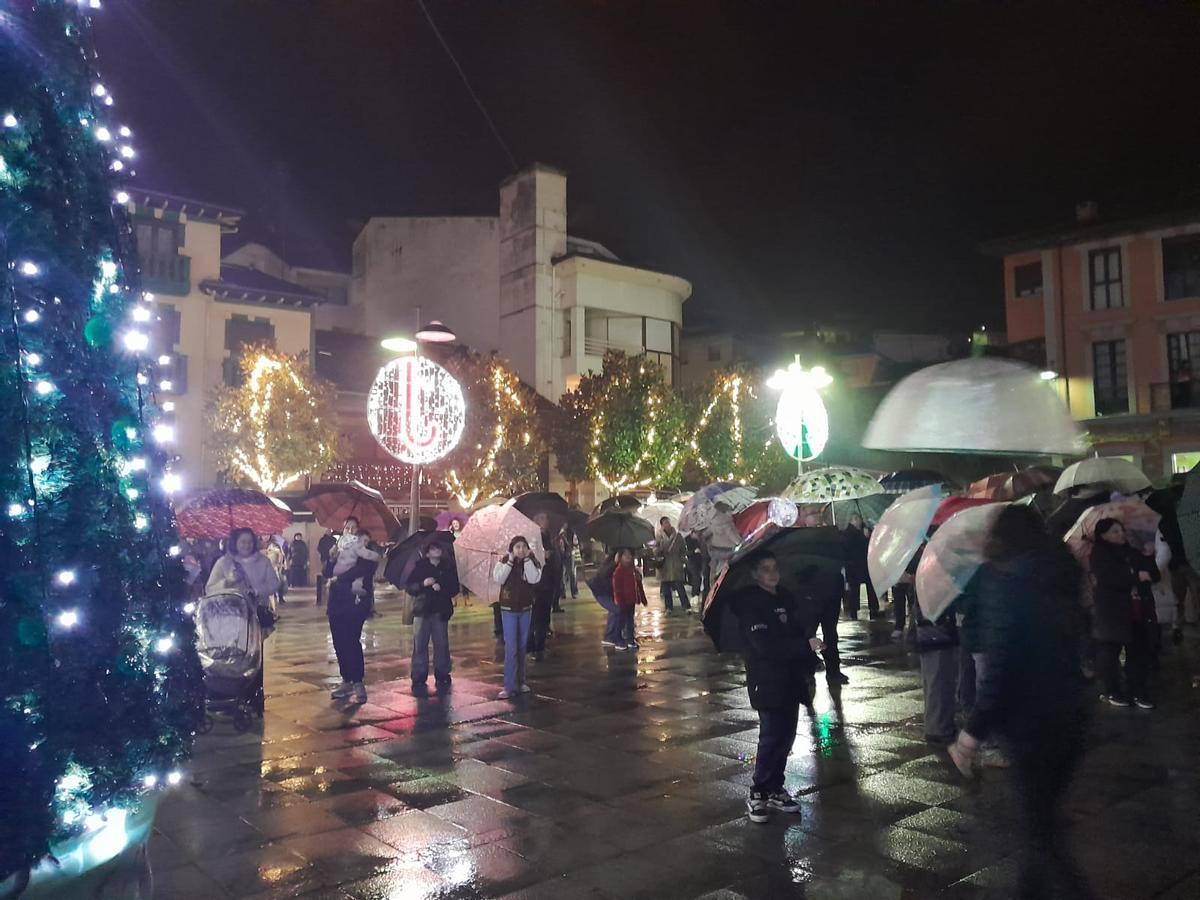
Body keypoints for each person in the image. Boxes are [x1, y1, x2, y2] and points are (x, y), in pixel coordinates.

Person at [946, 506, 1094, 899]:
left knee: (1042, 835)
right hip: (1071, 713)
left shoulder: (1007, 578)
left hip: (1032, 724)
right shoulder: (1061, 568)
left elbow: (1002, 663)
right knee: (1041, 827)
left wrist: (971, 734)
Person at [732, 552, 821, 824]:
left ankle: (775, 787)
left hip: (791, 677)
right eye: (765, 569)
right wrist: (803, 646)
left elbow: (796, 630)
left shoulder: (785, 596)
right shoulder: (749, 604)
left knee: (786, 736)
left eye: (774, 568)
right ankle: (758, 790)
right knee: (770, 735)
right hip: (767, 680)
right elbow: (764, 647)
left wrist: (811, 647)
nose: (772, 574)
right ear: (755, 574)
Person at [1090, 518, 1158, 709]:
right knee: (1109, 653)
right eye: (1114, 531)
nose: (1120, 535)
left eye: (1121, 531)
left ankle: (1138, 691)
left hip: (1136, 609)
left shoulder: (1133, 553)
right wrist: (1136, 577)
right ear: (1103, 535)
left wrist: (1148, 557)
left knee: (1138, 651)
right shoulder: (1099, 554)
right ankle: (1112, 690)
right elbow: (1109, 578)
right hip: (1112, 612)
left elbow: (1154, 575)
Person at [326, 519, 381, 704]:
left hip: (356, 603)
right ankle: (346, 680)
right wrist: (331, 558)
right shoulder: (339, 547)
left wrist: (338, 577)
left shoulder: (366, 550)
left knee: (351, 640)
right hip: (336, 602)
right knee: (338, 642)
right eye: (346, 527)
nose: (349, 530)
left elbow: (363, 569)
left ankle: (357, 681)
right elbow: (327, 572)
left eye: (353, 527)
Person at [405, 541, 459, 695]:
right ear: (427, 552)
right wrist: (423, 583)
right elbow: (410, 587)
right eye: (433, 548)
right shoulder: (420, 567)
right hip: (422, 611)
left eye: (439, 548)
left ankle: (442, 673)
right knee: (420, 644)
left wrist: (441, 586)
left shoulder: (447, 567)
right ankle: (418, 675)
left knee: (441, 643)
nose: (437, 551)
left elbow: (454, 588)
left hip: (440, 610)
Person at [493, 536, 541, 699]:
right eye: (517, 547)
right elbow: (499, 578)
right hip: (508, 609)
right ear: (512, 549)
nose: (520, 550)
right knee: (511, 646)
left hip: (526, 608)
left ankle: (521, 681)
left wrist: (527, 559)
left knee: (522, 646)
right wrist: (510, 562)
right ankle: (509, 685)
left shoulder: (532, 560)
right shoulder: (505, 560)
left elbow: (534, 578)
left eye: (523, 546)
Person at [206, 528, 281, 606]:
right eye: (243, 542)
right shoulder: (223, 562)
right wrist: (227, 583)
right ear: (235, 543)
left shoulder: (263, 561)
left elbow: (274, 584)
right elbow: (209, 588)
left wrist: (256, 591)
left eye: (250, 542)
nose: (247, 545)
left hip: (258, 610)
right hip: (229, 610)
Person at [528, 513, 560, 660]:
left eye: (545, 517)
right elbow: (529, 558)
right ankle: (533, 647)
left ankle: (540, 646)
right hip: (538, 583)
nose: (545, 520)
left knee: (544, 616)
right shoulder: (532, 537)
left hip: (549, 581)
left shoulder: (549, 536)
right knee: (536, 617)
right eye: (541, 518)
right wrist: (542, 556)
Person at [841, 513, 878, 619]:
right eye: (859, 520)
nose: (860, 522)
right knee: (866, 587)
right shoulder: (853, 533)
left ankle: (855, 609)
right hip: (859, 565)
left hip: (854, 566)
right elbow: (862, 548)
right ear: (854, 520)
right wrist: (865, 537)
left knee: (856, 589)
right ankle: (871, 607)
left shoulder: (849, 533)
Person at [611, 547, 647, 650]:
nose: (628, 558)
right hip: (622, 601)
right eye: (625, 556)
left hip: (631, 600)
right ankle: (618, 640)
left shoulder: (633, 570)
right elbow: (617, 588)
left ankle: (630, 639)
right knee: (621, 621)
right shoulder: (619, 571)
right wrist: (619, 601)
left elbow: (639, 585)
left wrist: (642, 598)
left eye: (630, 556)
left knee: (630, 621)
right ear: (620, 557)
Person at [656, 518, 691, 612]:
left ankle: (686, 606)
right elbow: (655, 551)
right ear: (662, 525)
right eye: (665, 523)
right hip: (664, 566)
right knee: (666, 589)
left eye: (668, 522)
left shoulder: (678, 536)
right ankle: (668, 608)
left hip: (676, 565)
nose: (667, 524)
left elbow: (683, 549)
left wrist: (683, 559)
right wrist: (660, 547)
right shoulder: (658, 537)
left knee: (680, 587)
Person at [587, 551, 621, 646]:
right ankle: (610, 636)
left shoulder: (623, 566)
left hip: (609, 592)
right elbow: (602, 574)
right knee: (616, 610)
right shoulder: (610, 564)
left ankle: (611, 636)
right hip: (600, 591)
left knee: (615, 611)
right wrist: (614, 563)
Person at [703, 502, 741, 586]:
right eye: (730, 510)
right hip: (728, 552)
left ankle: (713, 589)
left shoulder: (713, 523)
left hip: (715, 551)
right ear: (725, 511)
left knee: (714, 573)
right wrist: (742, 542)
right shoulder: (727, 523)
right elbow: (735, 539)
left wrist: (708, 543)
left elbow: (705, 535)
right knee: (727, 574)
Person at [315, 528, 337, 606]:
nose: (328, 532)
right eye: (327, 531)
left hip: (333, 558)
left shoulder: (334, 539)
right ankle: (327, 581)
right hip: (324, 557)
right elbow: (319, 548)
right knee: (325, 570)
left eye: (329, 531)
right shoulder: (322, 539)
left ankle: (330, 581)